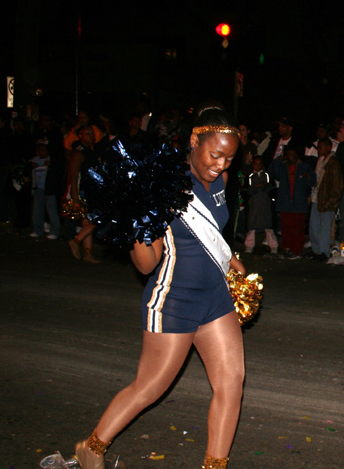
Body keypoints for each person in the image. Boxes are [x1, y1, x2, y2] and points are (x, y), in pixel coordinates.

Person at [74, 109, 245, 469]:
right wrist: (137, 224)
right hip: (173, 300)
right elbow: (146, 265)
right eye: (215, 155)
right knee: (150, 387)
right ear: (194, 141)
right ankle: (91, 447)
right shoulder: (161, 186)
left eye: (229, 158)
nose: (220, 165)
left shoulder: (222, 180)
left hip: (215, 297)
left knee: (231, 382)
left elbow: (211, 232)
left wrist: (231, 260)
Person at [269, 145, 316, 259]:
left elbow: (313, 181)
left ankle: (297, 250)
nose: (293, 157)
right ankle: (287, 249)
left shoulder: (304, 167)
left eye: (295, 155)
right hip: (285, 202)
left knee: (298, 228)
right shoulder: (282, 167)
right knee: (286, 228)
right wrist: (277, 160)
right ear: (286, 156)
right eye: (290, 155)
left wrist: (307, 177)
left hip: (298, 203)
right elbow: (271, 172)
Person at [67, 126, 101, 264]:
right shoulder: (79, 152)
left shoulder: (91, 151)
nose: (91, 136)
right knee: (96, 219)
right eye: (88, 133)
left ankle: (87, 253)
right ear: (80, 135)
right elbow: (74, 176)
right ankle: (76, 240)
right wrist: (75, 198)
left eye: (92, 133)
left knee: (87, 222)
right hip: (85, 191)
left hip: (93, 190)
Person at [309, 137, 343, 260]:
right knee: (314, 227)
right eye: (318, 147)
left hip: (326, 199)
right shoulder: (321, 161)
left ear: (329, 147)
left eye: (321, 147)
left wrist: (330, 202)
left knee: (324, 228)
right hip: (317, 198)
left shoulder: (333, 163)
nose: (319, 150)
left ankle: (324, 252)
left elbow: (336, 186)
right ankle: (317, 250)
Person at [243, 156, 278, 255]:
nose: (257, 166)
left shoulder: (267, 175)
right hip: (253, 205)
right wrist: (255, 189)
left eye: (260, 164)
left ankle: (273, 245)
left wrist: (264, 186)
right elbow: (246, 190)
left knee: (268, 225)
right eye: (255, 164)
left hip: (265, 204)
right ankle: (249, 245)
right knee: (251, 225)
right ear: (252, 164)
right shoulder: (250, 176)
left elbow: (273, 188)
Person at [29, 143, 61, 239]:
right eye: (41, 150)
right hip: (38, 189)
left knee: (52, 211)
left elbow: (59, 171)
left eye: (44, 150)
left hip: (49, 189)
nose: (43, 152)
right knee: (37, 211)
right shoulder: (34, 160)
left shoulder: (52, 159)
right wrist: (31, 166)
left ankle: (54, 232)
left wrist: (52, 166)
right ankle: (38, 231)